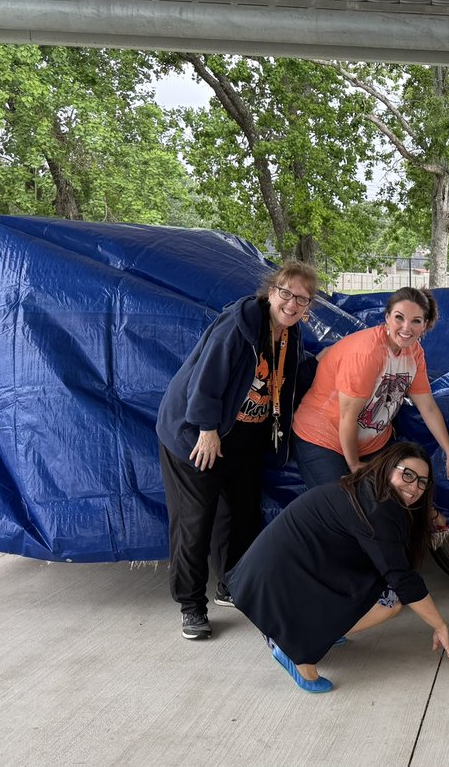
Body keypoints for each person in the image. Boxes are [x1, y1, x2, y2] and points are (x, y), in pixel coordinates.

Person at [157, 262, 318, 642]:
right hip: (196, 434)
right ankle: (191, 606)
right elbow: (206, 378)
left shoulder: (290, 336)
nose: (291, 303)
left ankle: (230, 583)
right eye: (285, 293)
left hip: (244, 436)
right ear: (270, 291)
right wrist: (207, 429)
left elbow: (295, 375)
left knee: (243, 514)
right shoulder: (241, 324)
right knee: (195, 521)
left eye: (302, 299)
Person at [224, 442, 449, 693]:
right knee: (390, 603)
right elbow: (402, 578)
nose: (414, 487)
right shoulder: (377, 508)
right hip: (277, 577)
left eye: (422, 482)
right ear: (388, 469)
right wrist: (439, 625)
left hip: (284, 568)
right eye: (408, 475)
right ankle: (294, 649)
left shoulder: (370, 490)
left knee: (376, 585)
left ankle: (324, 628)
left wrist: (431, 515)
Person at [292, 287, 449, 491]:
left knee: (400, 493)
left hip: (373, 441)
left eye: (416, 321)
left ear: (424, 326)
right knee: (343, 504)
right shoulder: (367, 353)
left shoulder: (414, 351)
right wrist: (354, 465)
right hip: (324, 437)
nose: (406, 328)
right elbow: (348, 417)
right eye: (399, 318)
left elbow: (427, 407)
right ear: (387, 317)